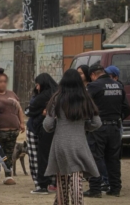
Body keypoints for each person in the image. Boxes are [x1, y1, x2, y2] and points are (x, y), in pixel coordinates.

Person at [44, 69, 102, 205]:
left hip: (60, 143)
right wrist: (83, 126)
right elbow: (97, 123)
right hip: (79, 142)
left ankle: (62, 201)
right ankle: (78, 202)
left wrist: (58, 127)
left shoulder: (56, 98)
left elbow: (47, 125)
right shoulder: (86, 98)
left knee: (62, 176)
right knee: (77, 174)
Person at [84, 65, 130, 198]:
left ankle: (95, 189)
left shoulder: (94, 86)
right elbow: (127, 107)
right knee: (113, 158)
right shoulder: (118, 85)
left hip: (98, 127)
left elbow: (85, 105)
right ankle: (115, 188)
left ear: (93, 74)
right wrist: (118, 117)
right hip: (115, 126)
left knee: (95, 157)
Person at [0, 68, 25, 185]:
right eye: (0, 81)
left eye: (5, 81)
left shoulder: (11, 93)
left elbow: (19, 108)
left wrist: (22, 122)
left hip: (13, 130)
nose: (3, 84)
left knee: (9, 154)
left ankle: (8, 176)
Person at [26, 73, 58, 194]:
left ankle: (42, 184)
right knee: (53, 156)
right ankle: (54, 183)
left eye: (38, 84)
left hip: (40, 129)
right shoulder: (58, 94)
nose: (37, 87)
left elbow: (29, 111)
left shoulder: (42, 97)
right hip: (56, 130)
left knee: (39, 157)